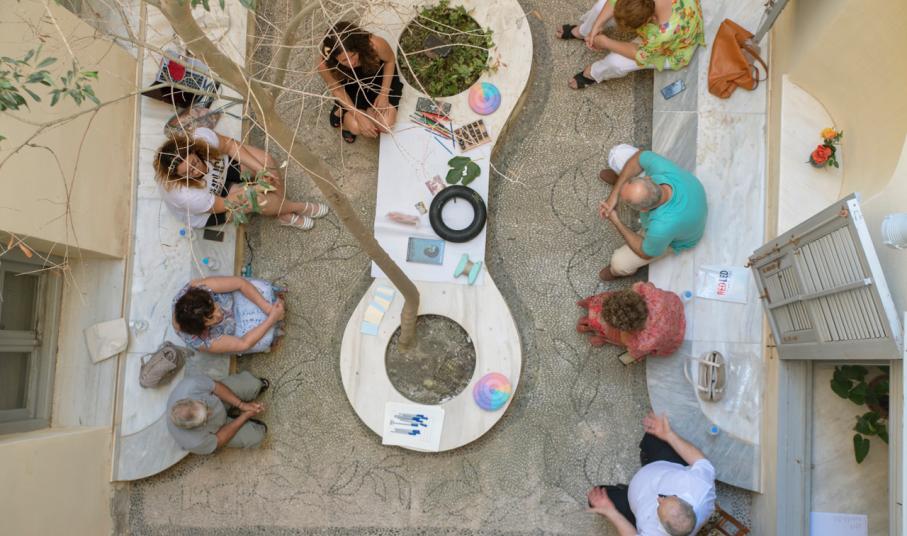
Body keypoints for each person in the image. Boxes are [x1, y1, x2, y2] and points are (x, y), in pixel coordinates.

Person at [154, 127, 329, 230]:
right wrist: (253, 190)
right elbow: (225, 204)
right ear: (177, 176)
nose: (196, 170)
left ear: (194, 150)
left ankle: (280, 210)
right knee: (256, 199)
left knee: (266, 161)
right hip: (214, 203)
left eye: (194, 162)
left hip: (220, 171)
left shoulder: (201, 138)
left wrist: (261, 170)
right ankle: (296, 207)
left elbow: (230, 146)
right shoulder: (185, 195)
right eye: (187, 173)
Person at [587, 412, 716, 535]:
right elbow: (700, 461)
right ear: (689, 504)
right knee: (655, 432)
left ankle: (624, 492)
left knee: (597, 499)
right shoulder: (701, 487)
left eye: (658, 508)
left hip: (634, 503)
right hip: (664, 465)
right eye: (668, 497)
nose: (659, 499)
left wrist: (611, 512)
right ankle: (650, 455)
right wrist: (668, 435)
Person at [597, 144, 707, 281]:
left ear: (643, 211)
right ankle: (627, 189)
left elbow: (646, 252)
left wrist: (616, 220)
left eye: (625, 201)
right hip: (691, 200)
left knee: (619, 263)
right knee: (621, 155)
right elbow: (640, 156)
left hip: (675, 239)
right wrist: (614, 195)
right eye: (630, 182)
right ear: (648, 179)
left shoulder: (661, 227)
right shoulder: (662, 170)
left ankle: (617, 272)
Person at [556, 0, 705, 89]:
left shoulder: (664, 33)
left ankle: (593, 74)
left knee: (616, 62)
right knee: (600, 7)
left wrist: (606, 42)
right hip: (657, 29)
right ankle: (583, 31)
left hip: (670, 48)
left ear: (648, 21)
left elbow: (639, 54)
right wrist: (597, 25)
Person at [318, 21, 404, 143]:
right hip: (351, 86)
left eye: (353, 55)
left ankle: (354, 112)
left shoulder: (374, 44)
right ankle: (345, 119)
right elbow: (337, 89)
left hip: (377, 78)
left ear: (358, 46)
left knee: (386, 125)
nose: (351, 63)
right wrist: (358, 116)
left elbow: (390, 60)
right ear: (334, 58)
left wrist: (384, 93)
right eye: (344, 60)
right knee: (355, 127)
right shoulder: (324, 64)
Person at [173, 276, 285, 355]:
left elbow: (240, 283)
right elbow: (243, 344)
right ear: (203, 328)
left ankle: (274, 303)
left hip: (233, 300)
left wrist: (266, 307)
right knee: (264, 340)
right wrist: (272, 319)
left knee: (263, 288)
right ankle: (275, 329)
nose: (219, 313)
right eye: (211, 318)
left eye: (213, 305)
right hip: (233, 328)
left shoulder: (197, 289)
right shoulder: (201, 341)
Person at [577, 282, 684, 363]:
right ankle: (596, 323)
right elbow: (645, 285)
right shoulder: (653, 295)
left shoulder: (643, 342)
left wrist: (632, 350)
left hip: (671, 337)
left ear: (626, 330)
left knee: (617, 338)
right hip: (673, 309)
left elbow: (634, 352)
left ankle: (603, 337)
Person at [167, 371, 270, 455]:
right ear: (193, 427)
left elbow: (216, 387)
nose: (211, 412)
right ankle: (237, 418)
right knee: (257, 435)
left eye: (205, 406)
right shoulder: (194, 442)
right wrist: (244, 417)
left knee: (254, 385)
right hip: (218, 429)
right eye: (205, 419)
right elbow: (219, 439)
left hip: (220, 399)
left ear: (192, 400)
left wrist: (241, 405)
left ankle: (236, 409)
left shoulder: (191, 384)